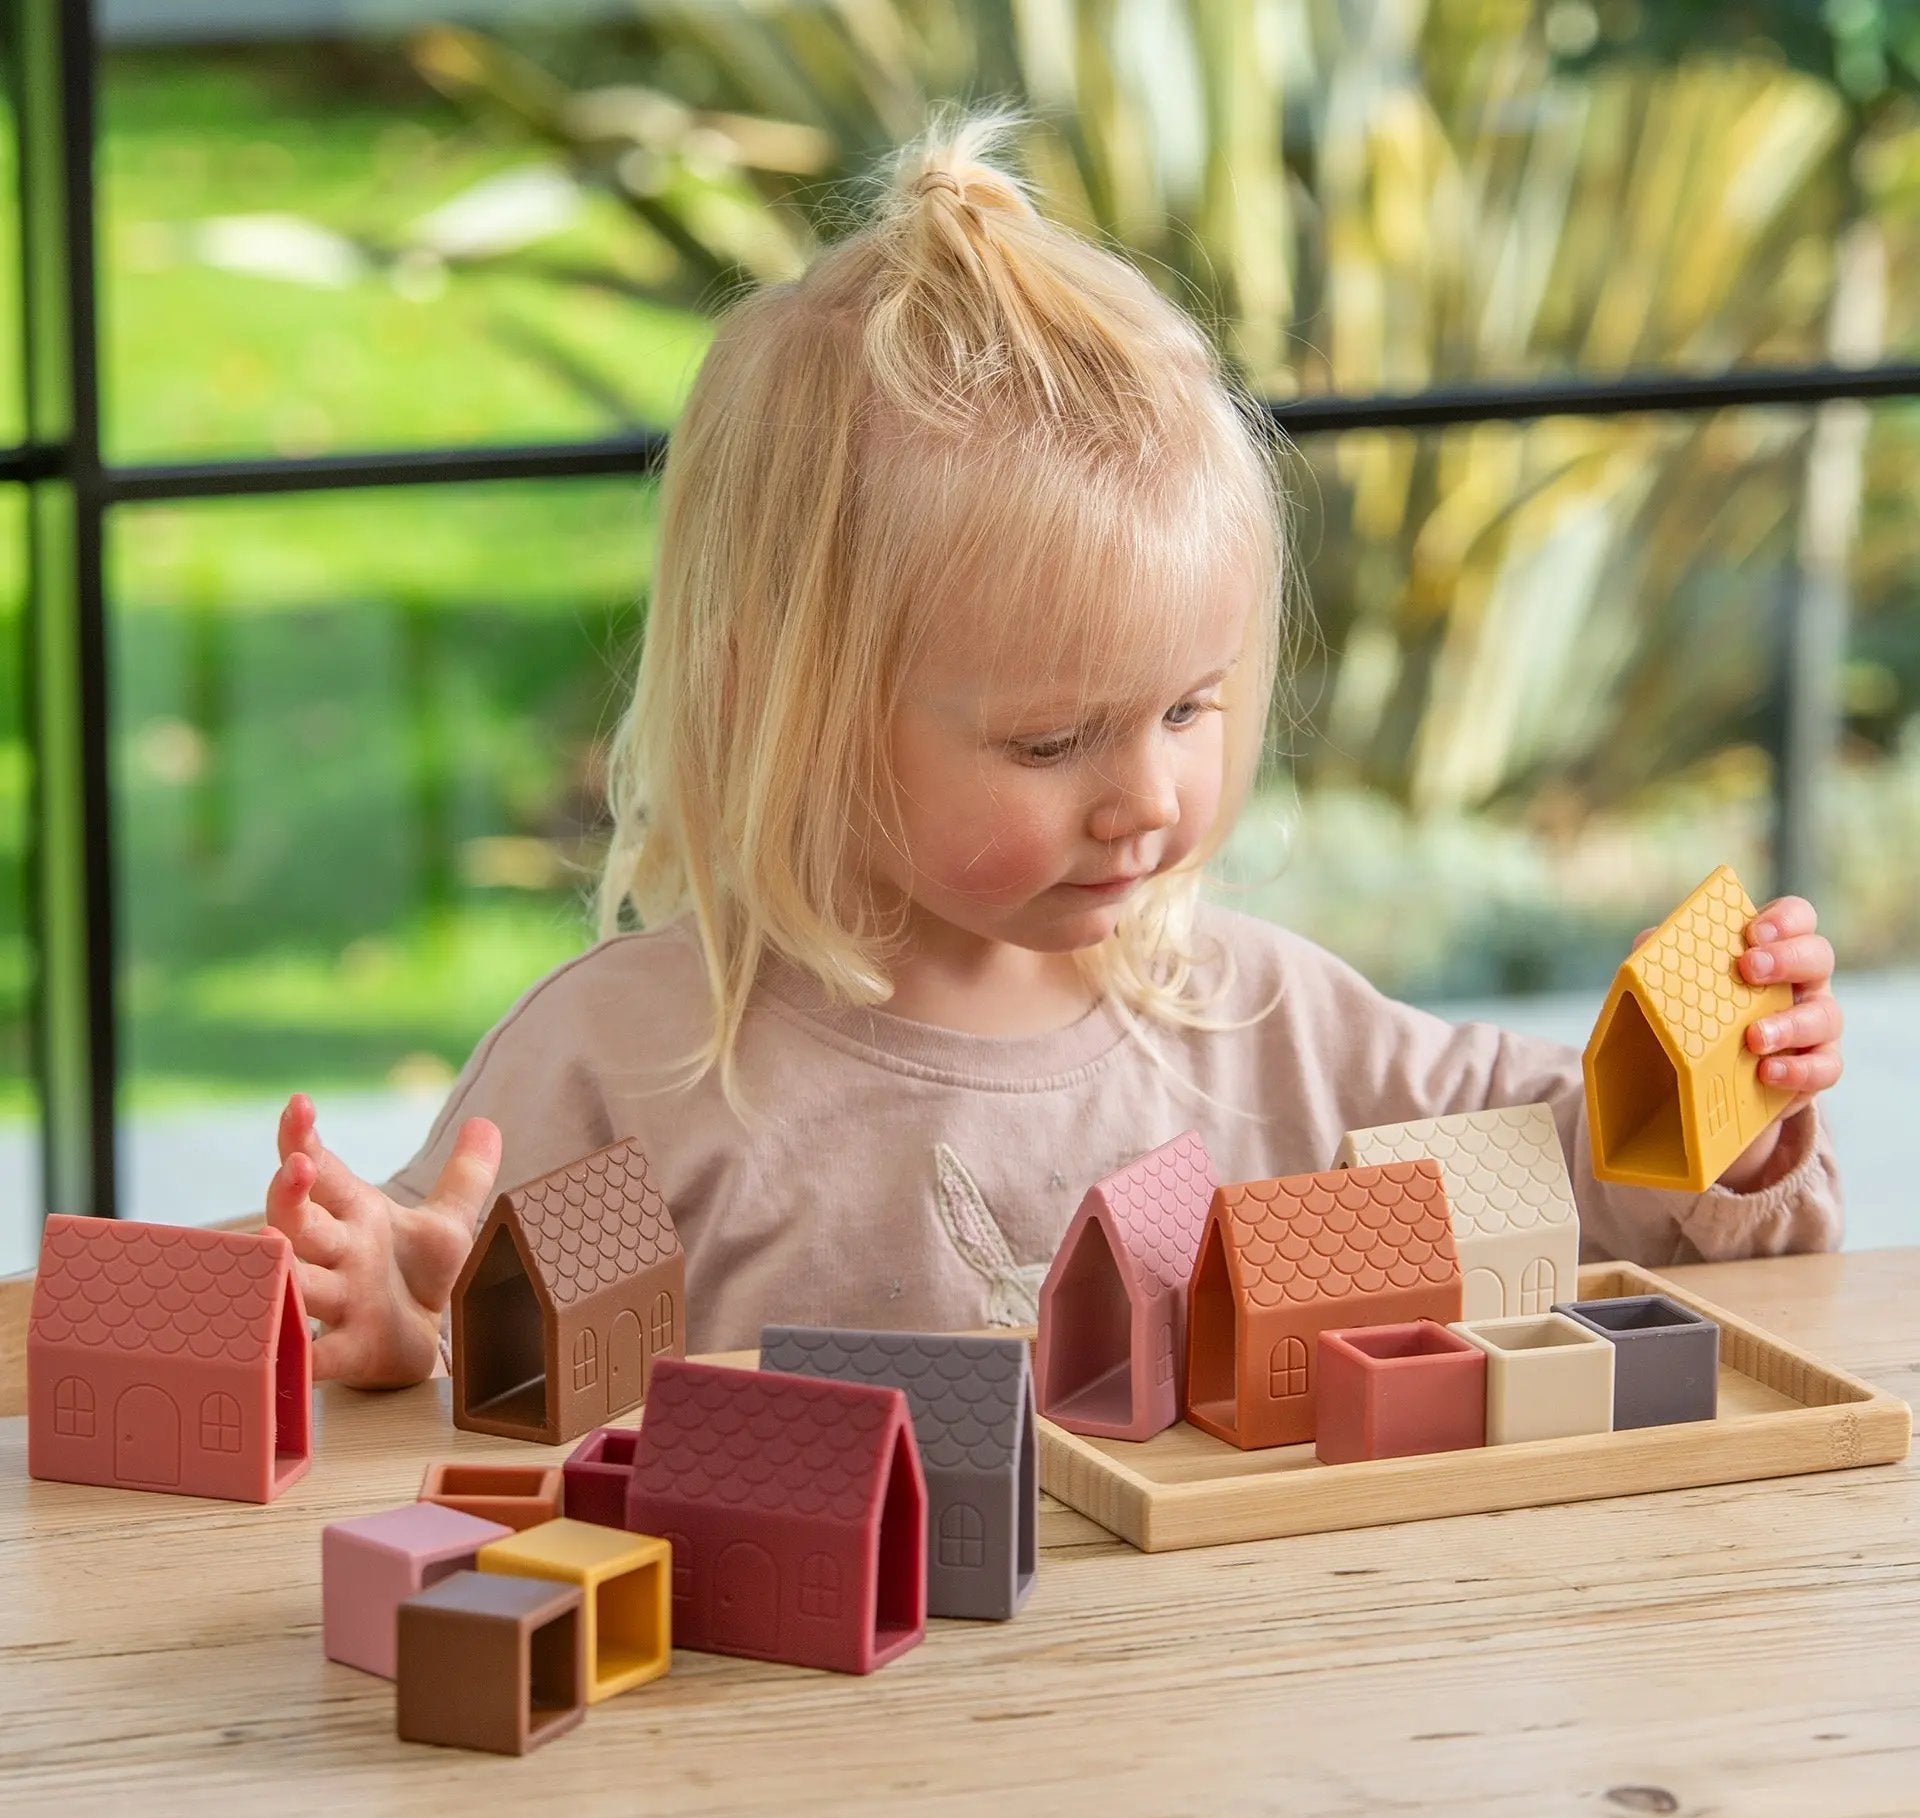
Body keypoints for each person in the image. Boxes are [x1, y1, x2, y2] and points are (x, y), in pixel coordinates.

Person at [263, 114, 1844, 1390]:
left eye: (1190, 708)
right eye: (1050, 739)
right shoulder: (649, 1067)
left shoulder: (1263, 1033)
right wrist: (405, 1330)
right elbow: (480, 1323)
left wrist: (1728, 1123)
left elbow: (1573, 1192)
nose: (1149, 799)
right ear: (779, 709)